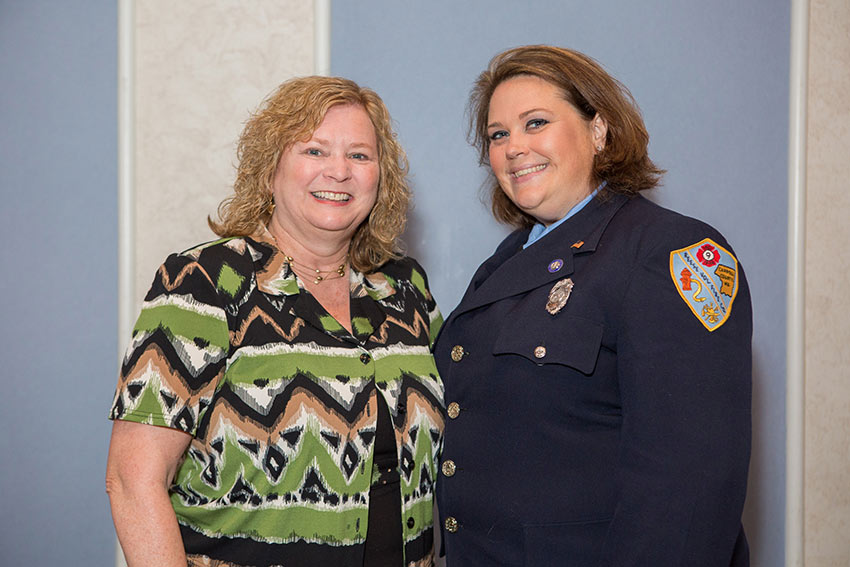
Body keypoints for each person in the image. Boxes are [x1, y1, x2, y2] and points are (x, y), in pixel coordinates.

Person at [106, 76, 444, 567]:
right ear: (270, 172)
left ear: (380, 178)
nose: (339, 171)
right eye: (314, 151)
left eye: (359, 155)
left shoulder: (406, 289)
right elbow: (132, 481)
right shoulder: (205, 282)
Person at [435, 45, 752, 566]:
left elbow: (690, 491)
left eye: (536, 123)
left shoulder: (669, 252)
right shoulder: (509, 260)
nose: (514, 147)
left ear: (599, 130)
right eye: (498, 135)